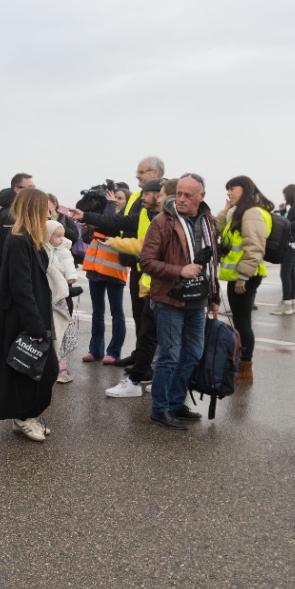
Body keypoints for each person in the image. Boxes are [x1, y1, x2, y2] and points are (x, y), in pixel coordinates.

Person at [140, 174, 220, 430]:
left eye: (188, 195)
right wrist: (180, 270)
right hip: (169, 299)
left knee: (193, 354)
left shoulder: (208, 221)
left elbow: (213, 262)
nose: (182, 199)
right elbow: (147, 262)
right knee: (169, 356)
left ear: (201, 196)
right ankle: (160, 409)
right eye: (180, 194)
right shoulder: (162, 221)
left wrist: (215, 296)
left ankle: (176, 403)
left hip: (198, 299)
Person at [0, 187, 57, 442]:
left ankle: (25, 416)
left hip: (29, 315)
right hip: (23, 318)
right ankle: (25, 417)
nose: (50, 212)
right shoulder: (19, 240)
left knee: (29, 369)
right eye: (46, 207)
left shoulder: (29, 238)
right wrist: (36, 327)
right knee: (38, 369)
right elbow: (22, 288)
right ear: (35, 209)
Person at [101, 178, 165, 398]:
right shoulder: (153, 216)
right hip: (152, 283)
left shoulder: (167, 219)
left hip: (163, 286)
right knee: (150, 333)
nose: (142, 196)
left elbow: (144, 246)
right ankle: (147, 376)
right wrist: (115, 242)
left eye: (146, 192)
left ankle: (144, 379)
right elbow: (140, 243)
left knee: (158, 335)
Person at [217, 176, 273, 385]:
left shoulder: (252, 213)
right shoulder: (240, 212)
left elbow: (254, 246)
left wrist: (243, 276)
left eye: (233, 188)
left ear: (246, 189)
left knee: (243, 323)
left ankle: (245, 368)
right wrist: (227, 209)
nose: (229, 192)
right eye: (227, 189)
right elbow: (220, 229)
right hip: (240, 275)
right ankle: (240, 364)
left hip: (245, 276)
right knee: (240, 322)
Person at [80, 186, 128, 366]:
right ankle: (95, 350)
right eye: (112, 197)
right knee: (97, 312)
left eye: (119, 198)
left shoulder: (126, 219)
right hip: (94, 269)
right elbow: (87, 239)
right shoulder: (102, 214)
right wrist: (89, 226)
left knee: (117, 313)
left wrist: (108, 205)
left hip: (114, 270)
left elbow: (111, 225)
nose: (114, 200)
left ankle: (113, 352)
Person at [44, 219, 83, 384]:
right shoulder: (42, 250)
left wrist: (71, 276)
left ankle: (61, 367)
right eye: (57, 236)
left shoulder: (63, 250)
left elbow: (69, 265)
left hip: (60, 297)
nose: (60, 239)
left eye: (62, 236)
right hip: (49, 297)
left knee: (61, 332)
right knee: (53, 334)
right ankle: (55, 367)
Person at [271, 184, 295, 316]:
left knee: (285, 274)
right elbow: (292, 220)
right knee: (291, 273)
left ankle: (286, 304)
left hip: (293, 242)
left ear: (290, 193)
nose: (284, 198)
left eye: (285, 195)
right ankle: (292, 303)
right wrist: (283, 212)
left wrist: (283, 223)